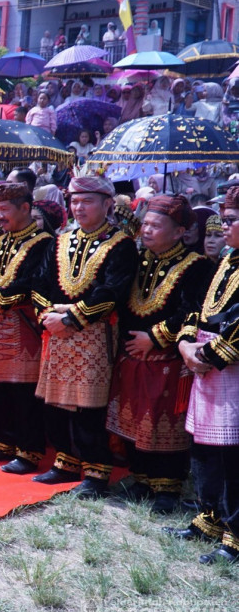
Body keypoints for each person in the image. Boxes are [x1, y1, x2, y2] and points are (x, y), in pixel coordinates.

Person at [31, 173, 138, 497]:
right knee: (55, 402)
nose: (79, 208)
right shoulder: (60, 240)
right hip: (56, 333)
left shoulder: (121, 244)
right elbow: (40, 284)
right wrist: (47, 316)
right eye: (75, 201)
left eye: (87, 201)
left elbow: (112, 292)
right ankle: (65, 462)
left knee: (88, 405)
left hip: (94, 334)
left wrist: (71, 318)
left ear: (107, 205)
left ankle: (96, 471)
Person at [105, 195, 211, 513]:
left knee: (164, 421)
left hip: (167, 358)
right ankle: (141, 478)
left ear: (179, 232)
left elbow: (192, 311)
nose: (147, 230)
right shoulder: (137, 259)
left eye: (156, 225)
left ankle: (167, 486)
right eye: (146, 224)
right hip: (131, 356)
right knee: (134, 418)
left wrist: (154, 337)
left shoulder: (197, 265)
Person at [167, 185, 239, 564]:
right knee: (206, 446)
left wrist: (205, 356)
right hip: (204, 360)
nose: (223, 227)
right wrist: (185, 344)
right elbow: (199, 308)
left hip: (229, 367)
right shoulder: (227, 261)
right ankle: (209, 516)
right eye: (223, 219)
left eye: (231, 220)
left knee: (232, 453)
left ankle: (235, 534)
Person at [0, 182, 54, 473]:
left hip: (23, 324)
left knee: (23, 391)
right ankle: (1, 444)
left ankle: (28, 452)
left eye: (4, 210)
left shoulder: (44, 242)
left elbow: (34, 282)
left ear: (25, 208)